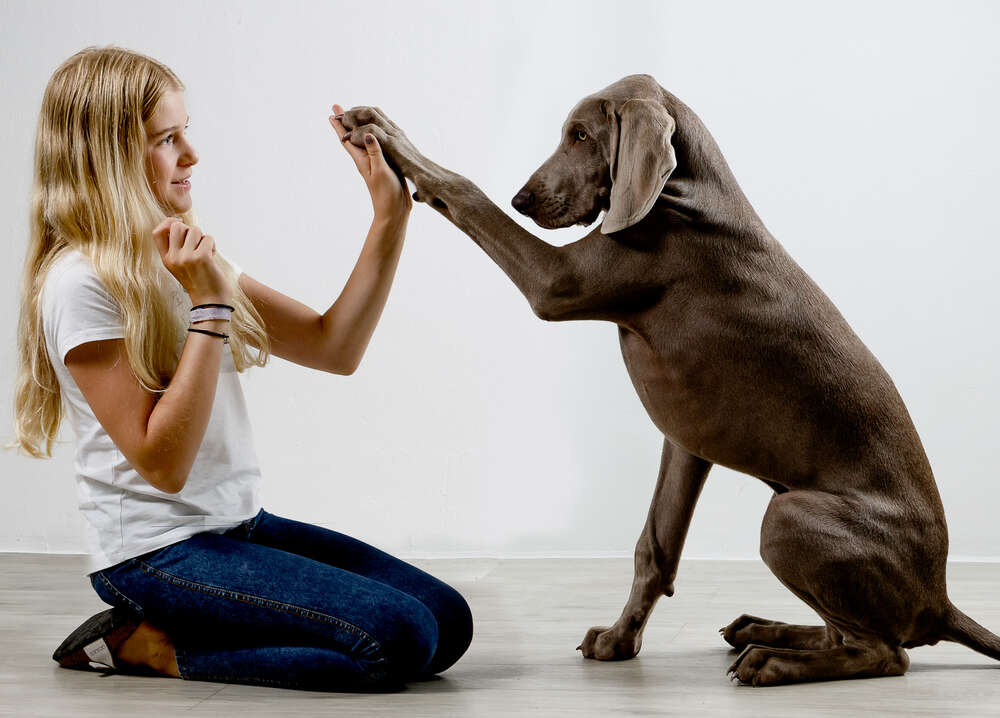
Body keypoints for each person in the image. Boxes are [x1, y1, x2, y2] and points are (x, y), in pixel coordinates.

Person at [12, 46, 472, 692]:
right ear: (109, 157)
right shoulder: (79, 284)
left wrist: (389, 217)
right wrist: (209, 307)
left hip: (239, 529)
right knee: (398, 640)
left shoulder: (186, 258)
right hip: (156, 555)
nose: (191, 157)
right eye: (167, 140)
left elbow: (334, 345)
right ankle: (152, 648)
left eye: (185, 134)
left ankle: (207, 627)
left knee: (448, 622)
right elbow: (162, 464)